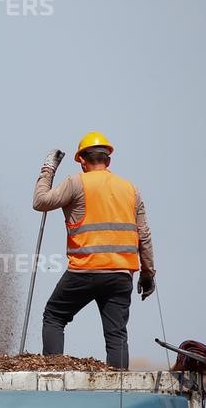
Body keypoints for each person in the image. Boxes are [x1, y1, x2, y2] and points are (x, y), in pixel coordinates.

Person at [33, 132, 156, 369]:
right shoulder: (130, 189)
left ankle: (54, 374)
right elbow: (145, 235)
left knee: (54, 316)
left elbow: (40, 202)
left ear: (81, 160)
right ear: (108, 160)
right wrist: (148, 274)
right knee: (117, 334)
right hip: (121, 274)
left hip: (84, 270)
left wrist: (47, 171)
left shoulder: (76, 182)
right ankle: (118, 389)